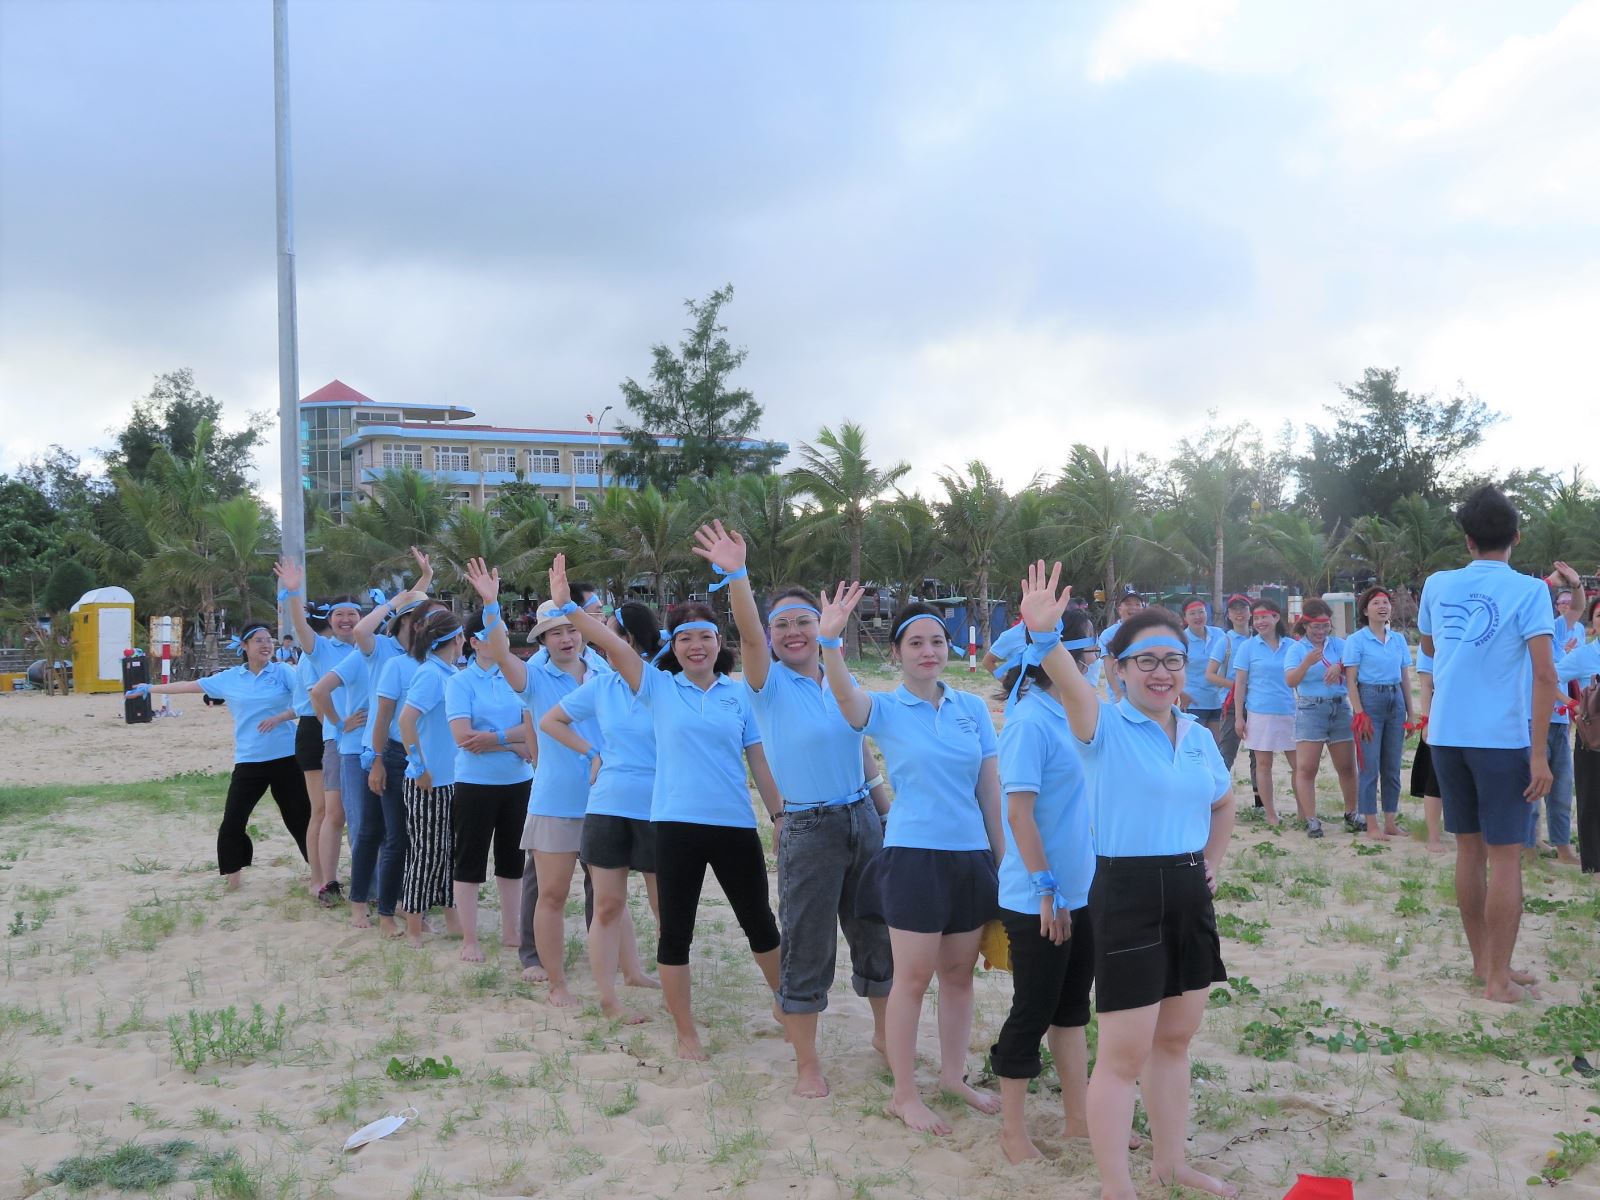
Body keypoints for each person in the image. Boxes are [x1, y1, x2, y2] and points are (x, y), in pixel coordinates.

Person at [1016, 563, 1236, 1200]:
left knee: (1175, 1041)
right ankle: (1118, 1186)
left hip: (1188, 894)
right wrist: (1044, 635)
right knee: (1122, 1056)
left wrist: (1213, 860)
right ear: (1117, 669)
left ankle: (1170, 1164)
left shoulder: (1196, 736)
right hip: (1126, 893)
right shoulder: (1101, 726)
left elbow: (1222, 802)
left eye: (1173, 660)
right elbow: (1068, 681)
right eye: (1146, 661)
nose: (1161, 672)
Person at [547, 554, 784, 1061]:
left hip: (734, 826)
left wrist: (779, 817)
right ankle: (685, 1031)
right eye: (685, 638)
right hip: (675, 827)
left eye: (705, 637)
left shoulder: (738, 695)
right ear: (672, 647)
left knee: (761, 924)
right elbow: (613, 643)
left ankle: (786, 1003)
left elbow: (760, 764)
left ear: (719, 643)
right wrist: (568, 607)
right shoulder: (656, 687)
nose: (696, 646)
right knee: (676, 933)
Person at [693, 521, 892, 1099]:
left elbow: (859, 748)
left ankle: (885, 1036)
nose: (792, 632)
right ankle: (808, 1063)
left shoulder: (838, 677)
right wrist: (738, 575)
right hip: (809, 825)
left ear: (823, 624)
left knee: (876, 935)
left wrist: (884, 813)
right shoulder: (767, 684)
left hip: (863, 818)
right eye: (782, 624)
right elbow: (750, 638)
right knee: (807, 944)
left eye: (803, 621)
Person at [817, 586, 1003, 1136]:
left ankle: (951, 1077)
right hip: (914, 856)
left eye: (937, 641)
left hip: (970, 855)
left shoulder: (972, 709)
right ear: (896, 652)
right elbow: (845, 697)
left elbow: (990, 793)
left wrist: (1005, 862)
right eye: (916, 643)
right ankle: (904, 1094)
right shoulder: (886, 707)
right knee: (913, 979)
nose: (928, 651)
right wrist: (830, 641)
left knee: (959, 976)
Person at [1418, 484, 1557, 1004]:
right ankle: (1497, 979)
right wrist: (1539, 754)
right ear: (1515, 537)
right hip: (1499, 738)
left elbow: (1430, 644)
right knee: (1505, 858)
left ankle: (1486, 963)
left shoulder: (1438, 583)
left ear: (1468, 539)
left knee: (1469, 850)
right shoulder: (1530, 591)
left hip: (1446, 734)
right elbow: (1545, 674)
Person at [988, 607, 1105, 1163]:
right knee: (1032, 1011)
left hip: (1081, 891)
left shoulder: (1076, 714)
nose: (1096, 662)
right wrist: (1045, 890)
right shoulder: (1030, 721)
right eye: (1091, 652)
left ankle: (1079, 1121)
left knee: (1072, 1010)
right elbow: (1018, 815)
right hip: (1039, 898)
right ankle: (1012, 1130)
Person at [469, 566, 597, 1005]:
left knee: (606, 890)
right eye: (554, 633)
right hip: (555, 798)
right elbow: (503, 653)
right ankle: (543, 966)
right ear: (542, 641)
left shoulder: (602, 670)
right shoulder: (534, 677)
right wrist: (491, 605)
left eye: (571, 629)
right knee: (548, 891)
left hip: (603, 798)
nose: (566, 638)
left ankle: (611, 963)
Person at [542, 599, 665, 1022]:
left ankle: (673, 994)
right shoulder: (601, 686)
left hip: (658, 806)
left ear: (629, 638)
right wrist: (591, 752)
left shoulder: (661, 682)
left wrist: (570, 605)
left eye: (609, 633)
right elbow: (550, 721)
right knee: (607, 904)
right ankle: (609, 1001)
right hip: (608, 806)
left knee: (665, 908)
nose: (598, 643)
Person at [127, 623, 309, 890]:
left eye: (269, 640)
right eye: (259, 640)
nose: (266, 645)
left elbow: (307, 701)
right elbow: (189, 685)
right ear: (244, 646)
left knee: (300, 818)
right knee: (233, 820)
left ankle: (321, 873)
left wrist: (281, 717)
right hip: (249, 760)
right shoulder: (230, 678)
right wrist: (150, 688)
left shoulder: (284, 671)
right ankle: (233, 878)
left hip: (287, 757)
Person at [314, 552, 436, 930]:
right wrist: (339, 725)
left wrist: (425, 578)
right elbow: (362, 633)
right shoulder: (377, 649)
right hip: (367, 752)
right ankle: (363, 900)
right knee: (368, 829)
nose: (423, 626)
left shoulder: (424, 657)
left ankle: (396, 897)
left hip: (408, 753)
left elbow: (418, 607)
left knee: (402, 833)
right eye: (417, 621)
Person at [274, 561, 362, 903]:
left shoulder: (373, 646)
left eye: (352, 614)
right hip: (331, 738)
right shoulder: (322, 649)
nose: (346, 619)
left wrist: (425, 579)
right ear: (329, 619)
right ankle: (325, 881)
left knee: (361, 816)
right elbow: (300, 629)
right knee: (329, 813)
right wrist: (293, 592)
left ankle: (363, 880)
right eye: (339, 614)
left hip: (369, 741)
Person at [397, 608, 468, 950]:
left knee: (449, 851)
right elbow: (406, 721)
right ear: (457, 639)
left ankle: (452, 918)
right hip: (429, 781)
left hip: (452, 778)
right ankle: (414, 925)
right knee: (426, 853)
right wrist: (418, 765)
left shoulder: (450, 672)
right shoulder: (429, 674)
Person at [1344, 587, 1415, 841]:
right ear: (1365, 610)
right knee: (1369, 766)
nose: (1382, 607)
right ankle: (1371, 824)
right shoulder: (1356, 640)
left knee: (1392, 766)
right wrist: (1359, 713)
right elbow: (1351, 680)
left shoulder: (1398, 640)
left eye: (1386, 602)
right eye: (1376, 603)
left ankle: (1391, 822)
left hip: (1395, 700)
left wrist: (1411, 714)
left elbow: (1405, 678)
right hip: (1370, 699)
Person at [1283, 599, 1356, 839]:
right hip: (1310, 709)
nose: (1320, 631)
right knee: (1307, 767)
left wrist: (1340, 666)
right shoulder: (1297, 649)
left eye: (1325, 626)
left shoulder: (1339, 644)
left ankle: (1351, 813)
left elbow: (1355, 664)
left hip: (1339, 707)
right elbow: (1291, 681)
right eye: (1315, 626)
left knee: (1346, 766)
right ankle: (1311, 819)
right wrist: (1306, 663)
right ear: (1305, 625)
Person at [1533, 562, 1586, 865]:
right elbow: (1544, 680)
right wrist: (1549, 581)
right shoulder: (1525, 634)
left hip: (1559, 720)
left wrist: (1576, 584)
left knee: (1561, 786)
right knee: (1532, 785)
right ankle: (1529, 844)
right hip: (1532, 719)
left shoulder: (1556, 631)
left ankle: (1563, 845)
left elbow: (1577, 608)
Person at [1230, 599, 1295, 827]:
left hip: (1289, 711)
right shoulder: (1248, 647)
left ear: (1276, 617)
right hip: (1259, 713)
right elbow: (1240, 684)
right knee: (1263, 765)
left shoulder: (1292, 645)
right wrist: (1239, 717)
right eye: (1256, 618)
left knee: (1299, 766)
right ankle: (1270, 814)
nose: (1259, 622)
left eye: (1264, 617)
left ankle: (1304, 812)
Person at [1558, 595, 1600, 873]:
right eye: (1599, 616)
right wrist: (1572, 704)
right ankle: (1594, 866)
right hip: (1592, 740)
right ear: (1592, 624)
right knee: (1591, 802)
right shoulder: (1585, 655)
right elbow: (1549, 677)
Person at [1205, 594, 1256, 793]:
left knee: (1258, 756)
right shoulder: (1224, 641)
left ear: (1250, 612)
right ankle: (1217, 796)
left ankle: (1259, 802)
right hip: (1231, 704)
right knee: (1226, 753)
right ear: (1229, 615)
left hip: (1258, 703)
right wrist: (1237, 686)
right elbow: (1210, 674)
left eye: (1243, 608)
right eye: (1234, 610)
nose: (1239, 613)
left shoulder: (1259, 639)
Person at [1409, 646, 1447, 854]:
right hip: (1439, 710)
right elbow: (1426, 684)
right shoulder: (1430, 646)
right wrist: (1427, 721)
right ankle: (1433, 836)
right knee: (1434, 776)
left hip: (1468, 710)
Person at [1179, 601, 1227, 740]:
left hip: (1218, 700)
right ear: (1185, 618)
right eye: (1192, 613)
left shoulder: (1219, 634)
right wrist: (1180, 693)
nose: (1198, 616)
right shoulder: (1181, 639)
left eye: (1201, 612)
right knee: (1195, 746)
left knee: (1215, 746)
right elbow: (1172, 670)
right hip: (1193, 702)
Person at [1098, 589, 1145, 701]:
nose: (1133, 608)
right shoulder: (1109, 634)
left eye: (1137, 604)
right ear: (1119, 609)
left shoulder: (1150, 632)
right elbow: (1109, 667)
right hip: (1121, 697)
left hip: (1146, 693)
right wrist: (1118, 693)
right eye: (1128, 604)